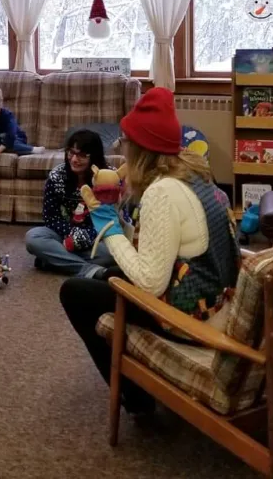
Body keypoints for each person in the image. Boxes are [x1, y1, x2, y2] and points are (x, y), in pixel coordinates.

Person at [59, 87, 240, 415]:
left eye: (125, 141)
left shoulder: (162, 193)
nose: (121, 148)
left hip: (194, 320)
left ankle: (135, 399)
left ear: (140, 148)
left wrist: (107, 226)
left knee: (74, 292)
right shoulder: (197, 175)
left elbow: (151, 283)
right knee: (109, 275)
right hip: (219, 300)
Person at [25, 129, 113, 278]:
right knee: (33, 237)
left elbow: (111, 219)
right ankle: (87, 270)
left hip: (97, 238)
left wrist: (85, 237)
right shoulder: (57, 176)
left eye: (82, 155)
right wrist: (72, 233)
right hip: (62, 234)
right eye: (71, 153)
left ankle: (52, 260)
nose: (74, 159)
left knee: (111, 254)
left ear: (95, 157)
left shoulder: (108, 178)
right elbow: (50, 218)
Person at [0, 84, 44, 156]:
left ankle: (32, 149)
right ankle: (9, 148)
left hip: (16, 138)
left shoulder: (7, 115)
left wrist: (0, 149)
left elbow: (11, 133)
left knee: (11, 145)